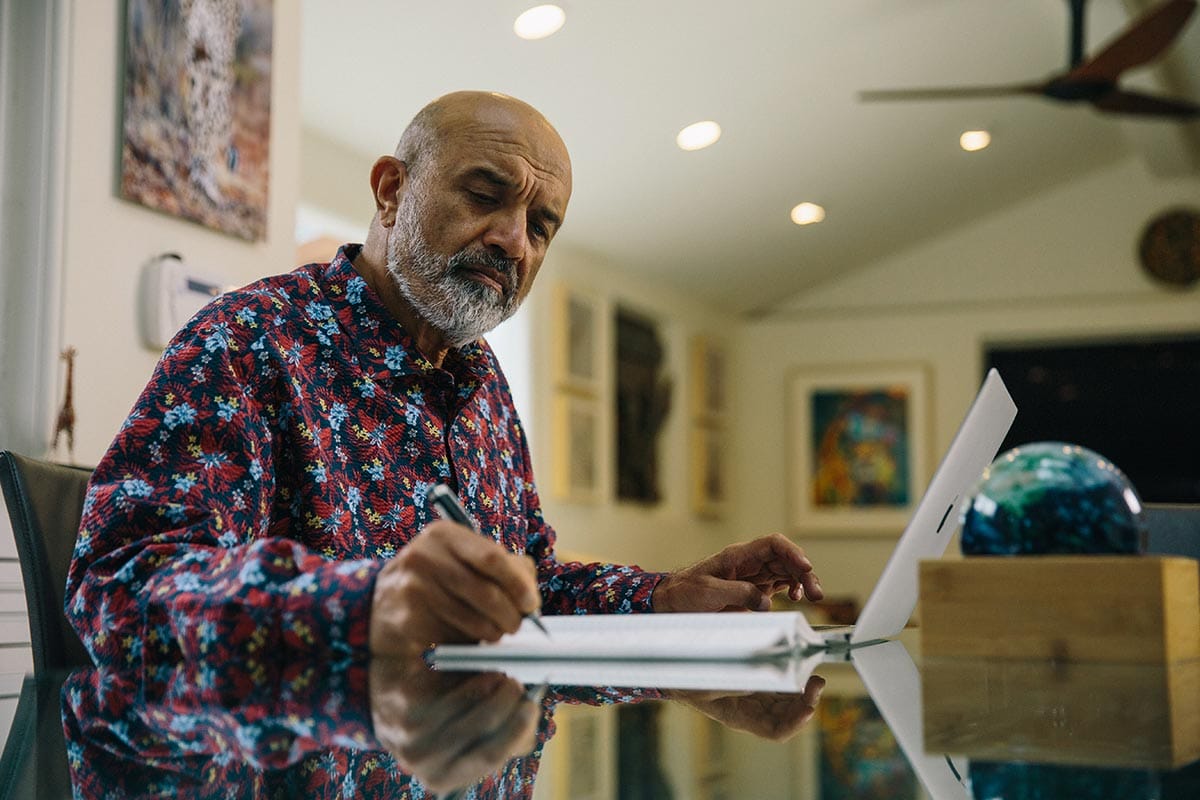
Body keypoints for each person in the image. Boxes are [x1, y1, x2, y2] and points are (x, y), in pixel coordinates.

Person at [65, 90, 823, 795]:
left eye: (541, 226)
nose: (512, 240)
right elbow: (120, 591)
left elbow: (528, 591)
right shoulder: (249, 341)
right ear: (391, 190)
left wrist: (658, 602)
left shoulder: (484, 383)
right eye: (485, 196)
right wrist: (365, 610)